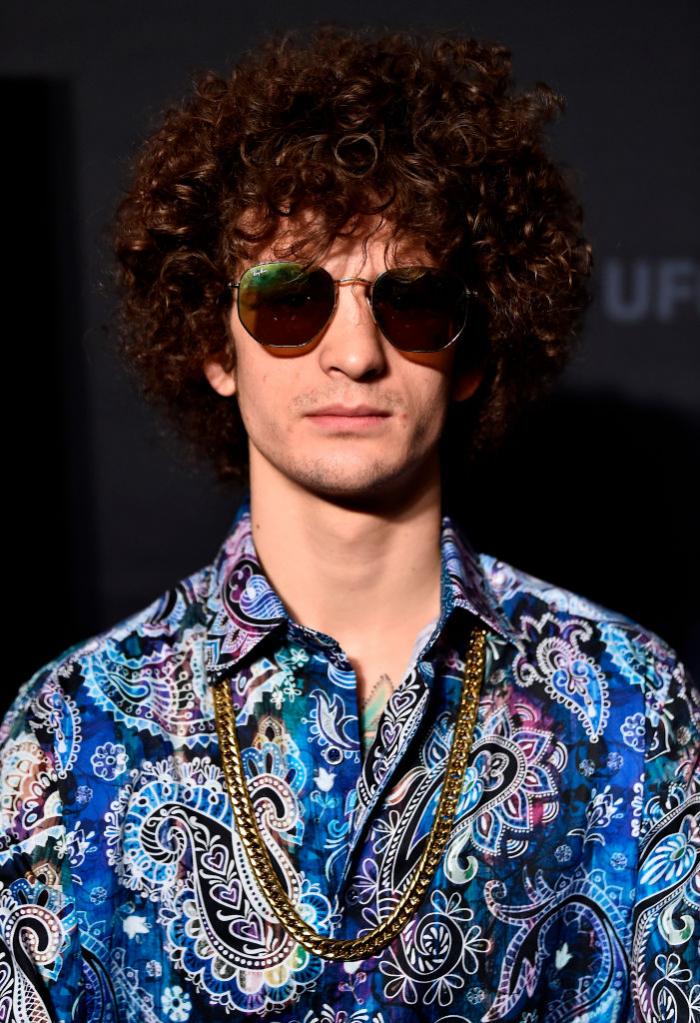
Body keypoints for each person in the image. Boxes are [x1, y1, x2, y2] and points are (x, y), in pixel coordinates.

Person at [0, 22, 697, 1023]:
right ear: (213, 343)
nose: (355, 355)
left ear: (467, 352)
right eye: (291, 299)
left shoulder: (629, 707)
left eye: (411, 302)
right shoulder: (71, 730)